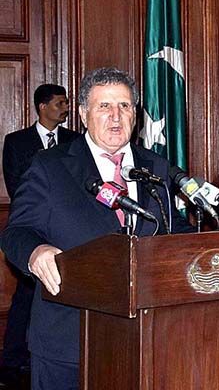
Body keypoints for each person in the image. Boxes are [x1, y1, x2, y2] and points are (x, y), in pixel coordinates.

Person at [0, 67, 193, 390]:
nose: (115, 116)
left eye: (125, 106)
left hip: (145, 334)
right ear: (83, 114)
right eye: (104, 106)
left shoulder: (156, 166)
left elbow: (175, 228)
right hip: (68, 336)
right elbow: (16, 231)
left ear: (136, 115)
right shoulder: (51, 165)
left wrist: (211, 250)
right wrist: (36, 251)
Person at [0, 84, 80, 385]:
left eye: (67, 103)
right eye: (60, 103)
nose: (66, 109)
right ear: (42, 106)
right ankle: (12, 362)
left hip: (71, 234)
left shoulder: (74, 140)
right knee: (25, 299)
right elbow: (16, 185)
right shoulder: (17, 141)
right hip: (33, 233)